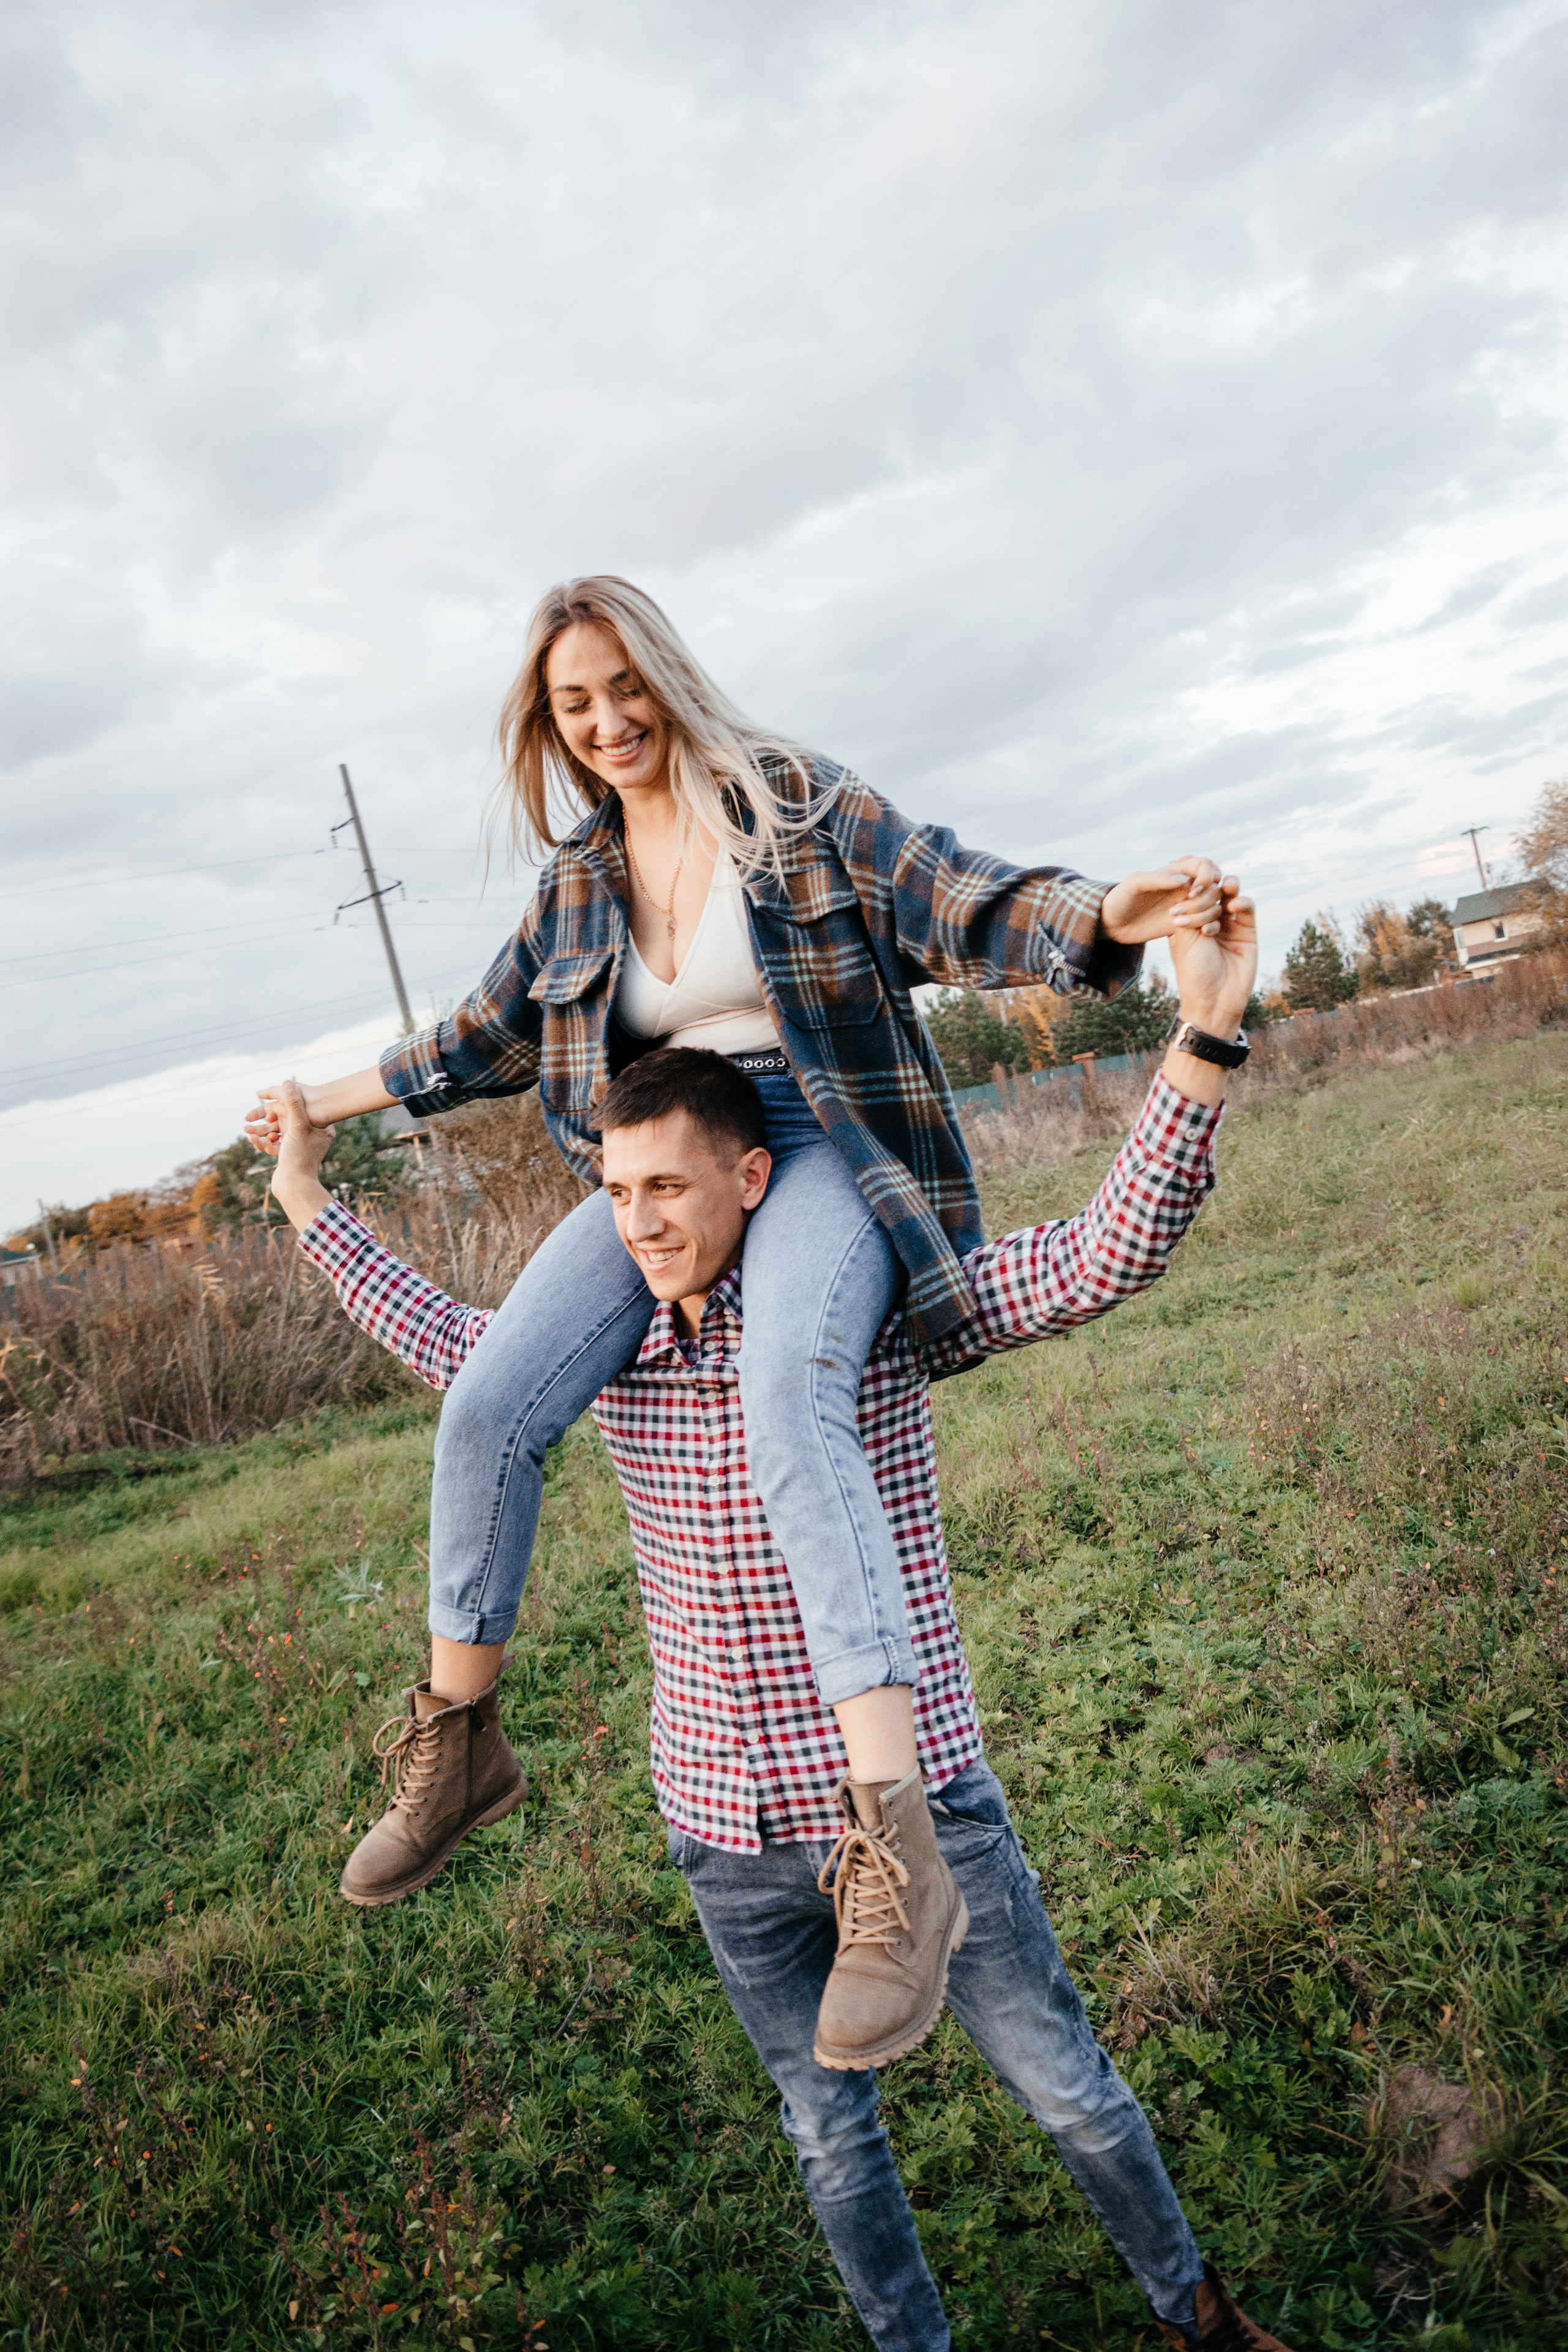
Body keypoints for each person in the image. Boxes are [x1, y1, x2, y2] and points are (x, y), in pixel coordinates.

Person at [262, 880, 1289, 2350]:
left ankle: (1197, 2317)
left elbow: (1092, 1258)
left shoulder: (855, 1319)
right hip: (723, 1825)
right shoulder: (601, 1351)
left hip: (909, 1808)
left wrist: (1201, 1037)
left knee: (1063, 2083)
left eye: (666, 1190)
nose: (638, 1228)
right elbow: (451, 1353)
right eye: (614, 1198)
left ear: (751, 1178)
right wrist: (305, 1195)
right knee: (826, 2135)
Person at [245, 574, 1229, 2070]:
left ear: (668, 674)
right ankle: (460, 1742)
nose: (608, 720)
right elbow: (480, 1035)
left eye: (623, 686)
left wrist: (1104, 917)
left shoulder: (793, 806)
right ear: (549, 726)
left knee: (788, 1402)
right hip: (666, 1149)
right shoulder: (578, 880)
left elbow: (956, 897)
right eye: (575, 704)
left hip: (818, 1142)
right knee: (489, 1402)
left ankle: (888, 1837)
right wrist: (312, 1106)